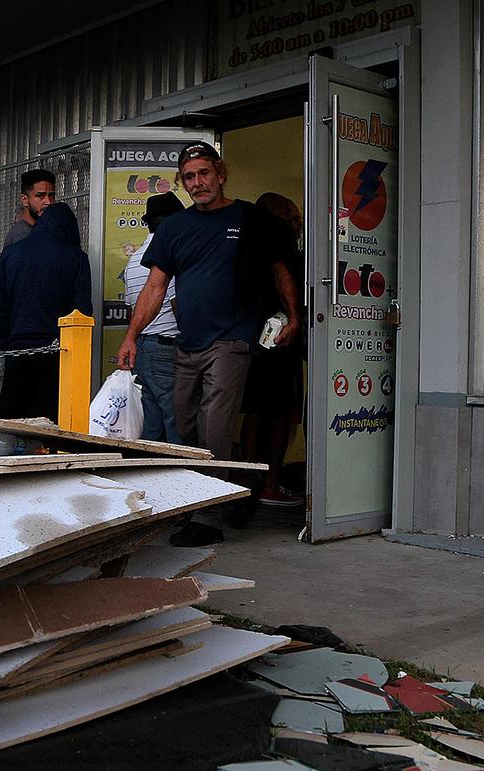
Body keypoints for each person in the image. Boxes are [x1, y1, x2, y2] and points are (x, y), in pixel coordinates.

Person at [117, 141, 301, 547]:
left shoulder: (250, 218)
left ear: (221, 173)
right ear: (182, 183)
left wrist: (294, 316)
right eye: (189, 177)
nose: (198, 183)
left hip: (232, 339)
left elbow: (279, 270)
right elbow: (155, 286)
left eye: (204, 173)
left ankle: (208, 517)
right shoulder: (176, 228)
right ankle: (238, 489)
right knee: (184, 424)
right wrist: (132, 335)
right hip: (189, 343)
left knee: (214, 423)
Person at [0, 201, 92, 421]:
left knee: (14, 418)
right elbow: (82, 311)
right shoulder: (76, 258)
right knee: (50, 419)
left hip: (17, 348)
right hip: (58, 351)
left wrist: (6, 342)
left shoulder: (10, 254)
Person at [241, 192, 306, 508]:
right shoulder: (284, 252)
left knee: (255, 410)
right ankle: (270, 483)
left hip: (253, 342)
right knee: (278, 412)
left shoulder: (245, 250)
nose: (298, 224)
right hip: (280, 343)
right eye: (292, 217)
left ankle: (252, 478)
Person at [122, 192, 185, 442]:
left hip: (143, 347)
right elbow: (174, 303)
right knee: (176, 420)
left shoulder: (134, 259)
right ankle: (179, 479)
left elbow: (131, 311)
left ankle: (149, 477)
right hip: (166, 347)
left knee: (152, 424)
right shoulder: (169, 254)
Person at [3, 169, 56, 248]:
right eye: (40, 196)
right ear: (25, 200)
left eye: (51, 195)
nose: (48, 202)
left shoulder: (39, 230)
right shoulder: (23, 235)